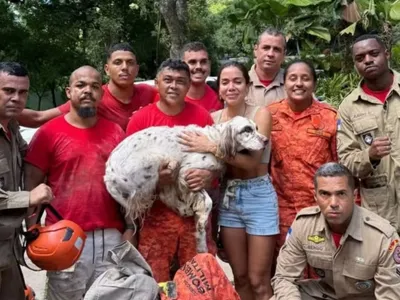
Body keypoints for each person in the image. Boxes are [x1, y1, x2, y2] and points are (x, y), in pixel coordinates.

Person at [179, 61, 278, 300]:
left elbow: (252, 162)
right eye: (225, 82)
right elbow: (212, 164)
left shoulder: (259, 115)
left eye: (237, 81)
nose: (231, 87)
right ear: (219, 88)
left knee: (259, 280)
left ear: (247, 86)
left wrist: (212, 146)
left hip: (259, 196)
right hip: (229, 197)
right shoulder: (212, 119)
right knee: (240, 277)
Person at [24, 66, 126, 300]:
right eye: (81, 85)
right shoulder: (49, 132)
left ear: (101, 93)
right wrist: (32, 231)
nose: (87, 90)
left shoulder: (115, 132)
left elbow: (126, 187)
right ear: (69, 92)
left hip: (110, 236)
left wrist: (130, 228)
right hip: (64, 236)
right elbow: (31, 185)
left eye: (94, 86)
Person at [125, 59, 217, 282]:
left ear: (188, 86)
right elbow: (128, 176)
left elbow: (216, 164)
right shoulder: (141, 120)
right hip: (155, 219)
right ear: (157, 83)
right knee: (156, 284)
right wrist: (155, 180)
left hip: (194, 220)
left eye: (180, 81)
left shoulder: (202, 118)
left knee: (198, 284)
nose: (174, 86)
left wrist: (209, 176)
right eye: (168, 80)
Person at [271, 162, 400, 300]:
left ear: (354, 195)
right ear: (315, 197)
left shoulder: (383, 236)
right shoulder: (303, 224)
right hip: (326, 294)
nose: (333, 203)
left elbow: (390, 295)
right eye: (325, 194)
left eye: (341, 194)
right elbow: (284, 277)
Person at [268, 60, 337, 253]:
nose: (299, 83)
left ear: (314, 84)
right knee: (284, 266)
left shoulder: (330, 117)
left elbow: (341, 166)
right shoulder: (269, 115)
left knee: (319, 267)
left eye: (305, 79)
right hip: (280, 209)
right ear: (284, 84)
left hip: (319, 208)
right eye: (293, 78)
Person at [0, 62, 53, 300]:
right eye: (8, 91)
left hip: (7, 247)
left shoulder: (11, 127)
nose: (16, 98)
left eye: (22, 92)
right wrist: (29, 197)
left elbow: (30, 159)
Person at [337, 34, 400, 231]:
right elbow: (346, 160)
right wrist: (369, 156)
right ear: (355, 64)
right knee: (390, 261)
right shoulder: (349, 107)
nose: (368, 60)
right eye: (360, 58)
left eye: (373, 54)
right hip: (381, 210)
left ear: (386, 54)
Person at [18, 43, 156, 130]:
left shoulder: (149, 92)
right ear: (107, 69)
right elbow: (38, 118)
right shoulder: (92, 97)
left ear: (137, 69)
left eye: (130, 63)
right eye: (118, 62)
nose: (125, 68)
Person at [153, 42, 223, 113]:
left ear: (209, 64)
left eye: (203, 62)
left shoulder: (221, 96)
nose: (198, 67)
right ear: (182, 65)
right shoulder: (163, 96)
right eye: (192, 62)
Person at [247, 27, 287, 107]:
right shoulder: (240, 83)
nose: (270, 54)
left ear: (284, 55)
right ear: (255, 50)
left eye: (276, 49)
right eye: (266, 48)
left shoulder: (294, 85)